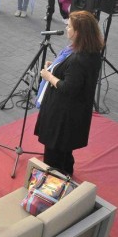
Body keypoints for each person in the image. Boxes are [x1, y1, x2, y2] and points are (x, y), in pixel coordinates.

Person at [35, 11, 104, 176]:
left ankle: (54, 187)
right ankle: (66, 178)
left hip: (62, 118)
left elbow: (68, 88)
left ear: (78, 32)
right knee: (65, 154)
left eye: (69, 26)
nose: (66, 28)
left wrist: (49, 76)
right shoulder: (91, 52)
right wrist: (57, 67)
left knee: (54, 157)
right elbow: (74, 76)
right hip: (73, 116)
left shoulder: (79, 59)